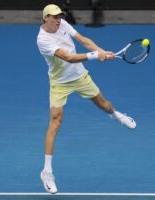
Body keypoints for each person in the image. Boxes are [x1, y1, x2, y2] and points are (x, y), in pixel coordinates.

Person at [37, 4, 136, 194]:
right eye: (55, 17)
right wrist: (94, 55)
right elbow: (68, 57)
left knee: (105, 105)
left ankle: (116, 115)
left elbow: (83, 39)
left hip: (80, 76)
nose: (59, 20)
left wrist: (101, 50)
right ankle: (47, 172)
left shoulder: (63, 24)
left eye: (60, 17)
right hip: (59, 83)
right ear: (46, 18)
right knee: (55, 123)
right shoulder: (43, 40)